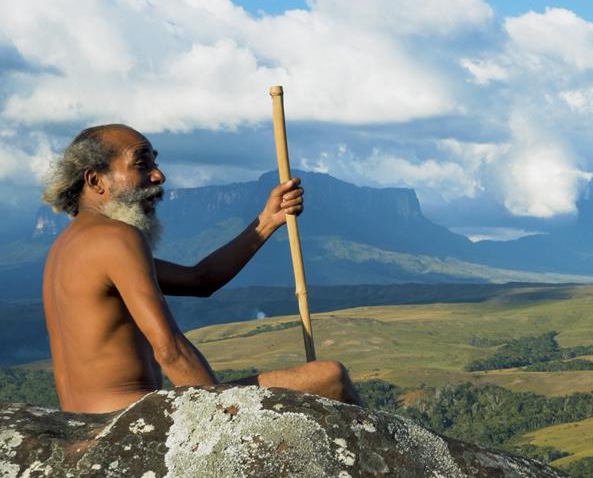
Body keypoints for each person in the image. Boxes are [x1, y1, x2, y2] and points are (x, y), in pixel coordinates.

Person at [40, 124, 360, 413]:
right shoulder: (117, 237)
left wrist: (267, 221)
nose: (158, 176)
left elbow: (199, 280)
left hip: (85, 421)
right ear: (96, 180)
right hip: (125, 419)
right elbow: (170, 350)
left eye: (155, 163)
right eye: (142, 164)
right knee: (329, 378)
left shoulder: (69, 246)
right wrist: (220, 420)